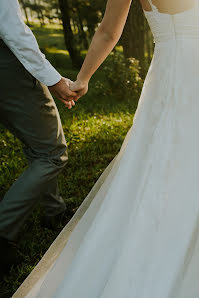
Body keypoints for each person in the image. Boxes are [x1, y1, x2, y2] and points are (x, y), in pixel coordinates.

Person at [14, 0, 199, 296]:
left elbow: (108, 32)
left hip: (163, 82)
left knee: (152, 161)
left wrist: (84, 77)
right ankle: (187, 248)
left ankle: (148, 234)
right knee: (197, 165)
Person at [0, 0, 78, 274]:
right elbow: (12, 30)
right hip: (8, 67)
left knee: (37, 146)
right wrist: (54, 80)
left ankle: (54, 211)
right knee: (53, 154)